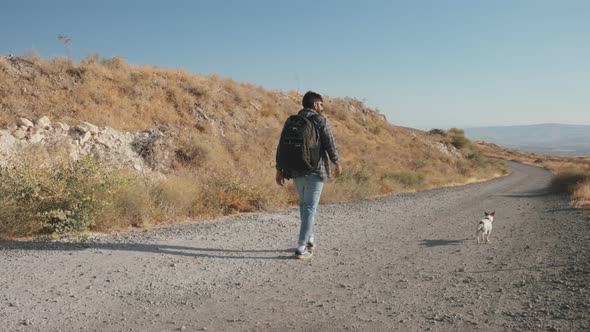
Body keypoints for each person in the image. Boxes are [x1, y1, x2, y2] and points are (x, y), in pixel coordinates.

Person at [275, 91, 342, 259]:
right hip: (315, 170)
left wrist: (279, 169)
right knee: (310, 207)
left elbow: (282, 146)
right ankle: (301, 247)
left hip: (295, 169)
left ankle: (310, 239)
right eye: (321, 104)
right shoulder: (320, 120)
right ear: (315, 105)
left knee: (304, 206)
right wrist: (336, 162)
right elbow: (330, 143)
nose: (322, 107)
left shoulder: (292, 121)